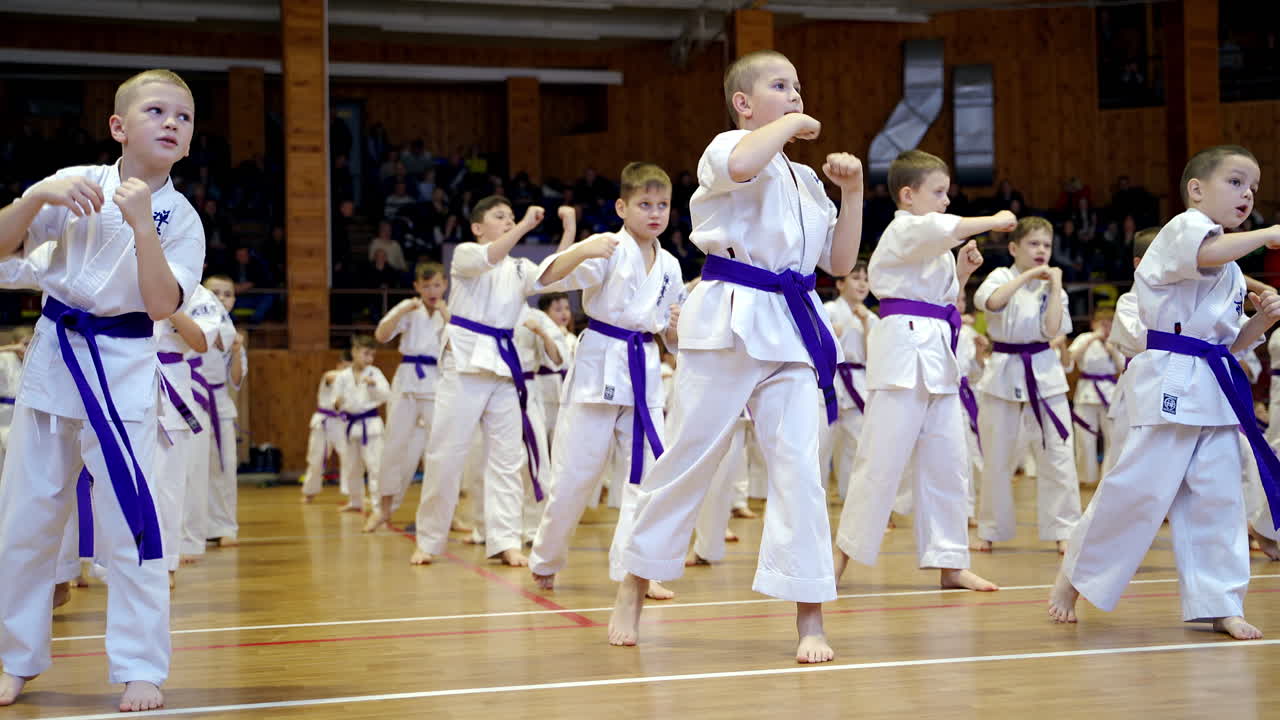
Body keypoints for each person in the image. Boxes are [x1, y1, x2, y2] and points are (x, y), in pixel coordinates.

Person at [609, 50, 864, 663]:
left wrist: (852, 192)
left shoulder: (806, 183)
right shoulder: (725, 148)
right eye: (780, 86)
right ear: (745, 104)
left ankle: (809, 615)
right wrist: (793, 127)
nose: (795, 95)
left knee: (800, 468)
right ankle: (633, 585)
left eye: (799, 86)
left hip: (793, 327)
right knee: (690, 458)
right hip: (727, 317)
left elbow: (838, 262)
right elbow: (749, 160)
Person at [0, 68, 205, 711]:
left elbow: (160, 304)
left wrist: (144, 226)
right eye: (156, 111)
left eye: (185, 117)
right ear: (118, 126)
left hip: (122, 371)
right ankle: (14, 658)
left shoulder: (183, 218)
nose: (172, 123)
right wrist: (36, 198)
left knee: (133, 529)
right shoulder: (75, 186)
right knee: (28, 521)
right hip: (55, 359)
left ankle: (141, 665)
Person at [1050, 145, 1280, 641]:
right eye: (1237, 182)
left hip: (1213, 382)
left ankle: (1219, 602)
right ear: (1197, 189)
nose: (1248, 194)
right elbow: (1205, 253)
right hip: (1172, 377)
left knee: (1219, 498)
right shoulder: (1184, 228)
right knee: (1139, 490)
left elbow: (1224, 342)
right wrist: (1269, 234)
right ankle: (1073, 576)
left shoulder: (1234, 270)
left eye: (1254, 188)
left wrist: (1259, 321)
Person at [833, 149, 1004, 595]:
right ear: (908, 195)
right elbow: (941, 228)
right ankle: (841, 556)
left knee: (949, 464)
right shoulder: (905, 228)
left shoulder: (936, 248)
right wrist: (994, 217)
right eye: (939, 192)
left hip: (937, 358)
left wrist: (963, 275)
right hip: (901, 356)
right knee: (880, 462)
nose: (947, 200)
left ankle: (950, 562)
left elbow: (945, 302)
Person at [526, 162, 685, 596]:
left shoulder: (669, 265)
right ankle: (545, 558)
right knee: (575, 478)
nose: (655, 213)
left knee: (647, 478)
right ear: (622, 206)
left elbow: (672, 339)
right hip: (599, 367)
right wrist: (582, 248)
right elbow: (546, 278)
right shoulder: (609, 247)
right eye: (644, 204)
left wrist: (673, 326)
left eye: (663, 205)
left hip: (645, 370)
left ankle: (637, 571)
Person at [410, 197, 547, 567]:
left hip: (503, 368)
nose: (508, 221)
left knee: (507, 459)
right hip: (465, 363)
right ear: (477, 226)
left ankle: (505, 540)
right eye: (499, 217)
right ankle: (430, 539)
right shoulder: (466, 254)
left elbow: (552, 275)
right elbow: (491, 257)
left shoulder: (519, 267)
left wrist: (568, 232)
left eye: (511, 216)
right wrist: (524, 227)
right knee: (446, 454)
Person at [972, 217, 1081, 553]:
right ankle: (989, 528)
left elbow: (1051, 331)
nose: (1041, 251)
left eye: (1046, 245)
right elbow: (991, 302)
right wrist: (1030, 276)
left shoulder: (1054, 286)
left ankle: (1065, 529)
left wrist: (1053, 284)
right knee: (997, 454)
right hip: (1003, 372)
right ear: (1014, 248)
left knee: (1058, 455)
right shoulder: (1000, 277)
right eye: (1034, 244)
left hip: (1045, 373)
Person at [363, 263, 449, 532]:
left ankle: (445, 513)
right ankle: (383, 509)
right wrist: (401, 309)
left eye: (436, 285)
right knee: (393, 446)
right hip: (408, 378)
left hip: (438, 381)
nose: (431, 291)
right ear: (416, 287)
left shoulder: (453, 311)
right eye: (425, 286)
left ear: (444, 284)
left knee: (442, 451)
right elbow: (381, 335)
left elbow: (463, 344)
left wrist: (447, 314)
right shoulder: (409, 310)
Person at [190, 275, 246, 549]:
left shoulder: (232, 332)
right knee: (191, 469)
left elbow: (236, 380)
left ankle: (223, 526)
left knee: (223, 469)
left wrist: (236, 351)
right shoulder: (189, 321)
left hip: (219, 401)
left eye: (228, 294)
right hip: (187, 399)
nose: (222, 298)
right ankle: (190, 530)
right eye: (216, 293)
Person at [1068, 309, 1125, 487]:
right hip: (1086, 392)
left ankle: (1109, 478)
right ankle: (1086, 477)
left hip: (1109, 392)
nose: (1105, 327)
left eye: (1109, 324)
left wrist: (1111, 350)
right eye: (1102, 323)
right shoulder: (1084, 338)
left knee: (1113, 437)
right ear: (1094, 324)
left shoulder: (1117, 341)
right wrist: (1092, 339)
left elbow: (1123, 366)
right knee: (1084, 438)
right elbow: (1072, 358)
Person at [334, 334, 390, 514]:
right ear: (354, 351)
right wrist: (337, 404)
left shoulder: (375, 373)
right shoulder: (343, 376)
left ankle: (377, 506)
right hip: (351, 427)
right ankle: (355, 501)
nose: (369, 359)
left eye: (372, 355)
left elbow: (387, 395)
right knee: (351, 467)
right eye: (366, 354)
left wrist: (373, 385)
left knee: (375, 467)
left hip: (371, 426)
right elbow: (335, 400)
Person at [301, 353, 352, 503]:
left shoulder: (353, 382)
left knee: (349, 457)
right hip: (324, 422)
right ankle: (309, 491)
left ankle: (351, 494)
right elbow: (333, 377)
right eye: (345, 366)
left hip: (342, 423)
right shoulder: (330, 376)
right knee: (316, 458)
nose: (348, 370)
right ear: (339, 365)